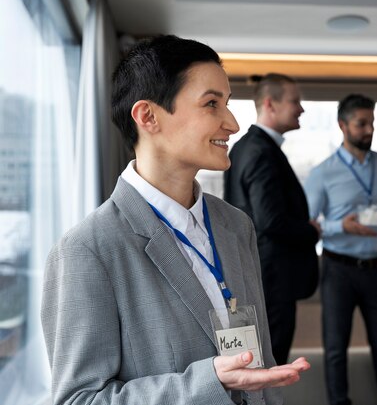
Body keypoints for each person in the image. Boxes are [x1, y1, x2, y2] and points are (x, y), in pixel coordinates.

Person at [40, 35, 310, 405]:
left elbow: (261, 368)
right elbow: (79, 400)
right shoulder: (87, 250)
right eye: (212, 104)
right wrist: (210, 381)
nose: (232, 123)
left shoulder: (235, 225)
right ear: (147, 116)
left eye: (227, 103)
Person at [305, 94, 377, 405]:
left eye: (372, 123)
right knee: (335, 348)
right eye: (361, 124)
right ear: (342, 125)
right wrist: (339, 227)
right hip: (338, 271)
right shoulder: (322, 172)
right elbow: (308, 224)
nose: (369, 130)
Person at [224, 73, 320, 365]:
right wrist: (311, 230)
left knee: (254, 365)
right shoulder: (261, 152)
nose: (301, 109)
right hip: (271, 280)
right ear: (270, 104)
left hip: (256, 273)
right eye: (295, 101)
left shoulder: (244, 147)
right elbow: (270, 221)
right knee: (269, 366)